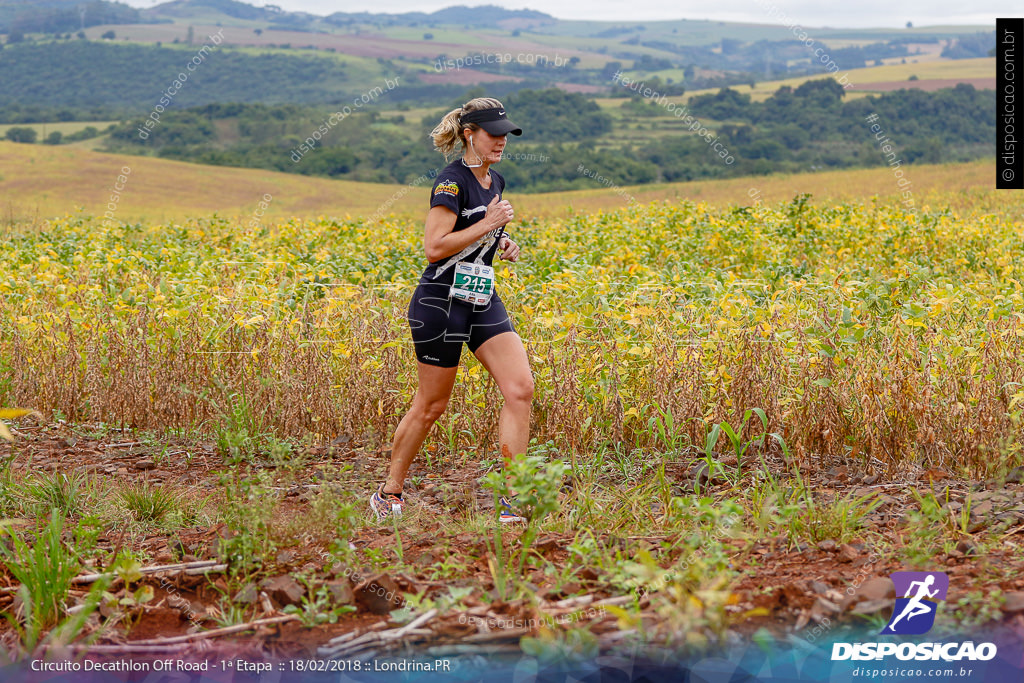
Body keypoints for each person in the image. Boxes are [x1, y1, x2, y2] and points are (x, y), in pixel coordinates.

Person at [370, 97, 534, 523]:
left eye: (504, 134)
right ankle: (389, 493)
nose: (500, 141)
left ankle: (511, 502)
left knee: (520, 389)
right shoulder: (449, 182)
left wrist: (502, 242)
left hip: (481, 298)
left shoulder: (495, 179)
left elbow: (479, 236)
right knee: (431, 405)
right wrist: (489, 223)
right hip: (440, 302)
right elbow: (434, 247)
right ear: (469, 134)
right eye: (491, 134)